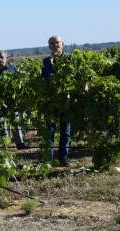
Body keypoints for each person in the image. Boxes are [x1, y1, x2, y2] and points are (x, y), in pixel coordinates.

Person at [42, 35, 71, 166]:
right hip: (50, 102)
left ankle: (63, 158)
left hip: (66, 101)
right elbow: (43, 81)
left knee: (66, 131)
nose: (55, 45)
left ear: (62, 44)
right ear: (49, 46)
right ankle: (49, 158)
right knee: (50, 131)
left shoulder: (70, 60)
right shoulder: (46, 62)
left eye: (57, 43)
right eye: (52, 43)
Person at [0, 51, 27, 149]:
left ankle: (20, 143)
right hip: (0, 102)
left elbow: (19, 82)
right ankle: (6, 144)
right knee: (3, 124)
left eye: (2, 57)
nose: (0, 59)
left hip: (13, 101)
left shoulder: (13, 68)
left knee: (16, 122)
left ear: (6, 58)